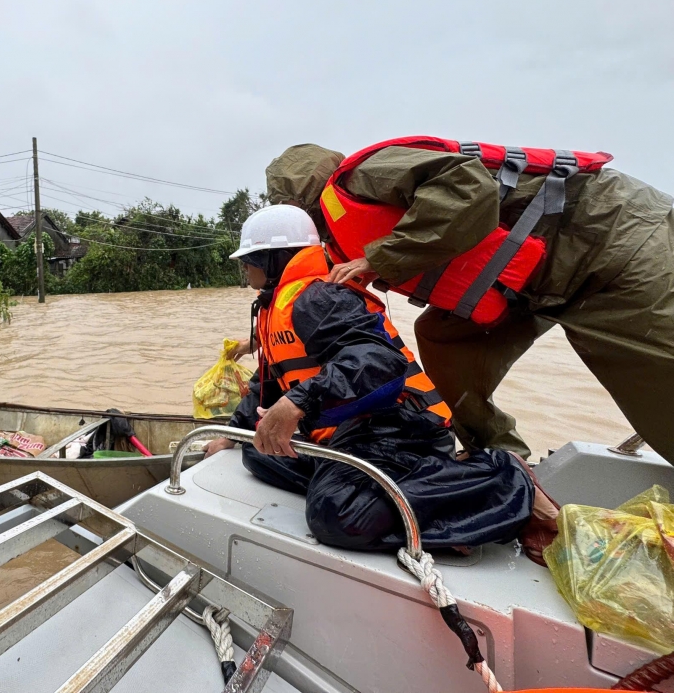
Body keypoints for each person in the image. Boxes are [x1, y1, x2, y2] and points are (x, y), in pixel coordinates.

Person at [263, 137, 674, 465]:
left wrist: (379, 257)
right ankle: (502, 459)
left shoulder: (362, 175)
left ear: (300, 202)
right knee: (442, 336)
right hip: (532, 282)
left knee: (656, 386)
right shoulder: (337, 226)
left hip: (610, 239)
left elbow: (468, 188)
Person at [205, 204, 558, 559]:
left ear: (272, 260)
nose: (245, 268)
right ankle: (378, 491)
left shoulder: (318, 298)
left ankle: (505, 477)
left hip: (401, 431)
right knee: (257, 451)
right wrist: (229, 434)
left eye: (249, 259)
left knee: (336, 515)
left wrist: (298, 402)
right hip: (349, 434)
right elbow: (268, 381)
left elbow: (379, 362)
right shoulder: (275, 308)